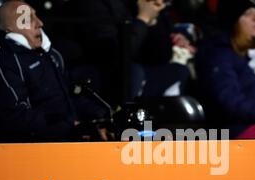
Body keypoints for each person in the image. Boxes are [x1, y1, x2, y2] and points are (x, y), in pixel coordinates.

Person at [0, 0, 113, 142]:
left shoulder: (48, 54)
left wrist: (101, 117)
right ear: (9, 28)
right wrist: (70, 126)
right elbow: (14, 117)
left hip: (66, 134)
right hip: (33, 148)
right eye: (28, 20)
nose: (40, 23)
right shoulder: (2, 59)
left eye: (37, 16)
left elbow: (69, 95)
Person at [60, 0, 195, 103]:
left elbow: (162, 56)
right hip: (94, 74)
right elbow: (113, 54)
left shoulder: (136, 3)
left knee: (178, 71)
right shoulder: (94, 4)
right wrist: (143, 20)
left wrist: (154, 20)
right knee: (133, 72)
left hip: (133, 72)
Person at [196, 0, 255, 138]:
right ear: (234, 21)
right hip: (245, 129)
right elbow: (229, 101)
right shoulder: (220, 53)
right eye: (248, 14)